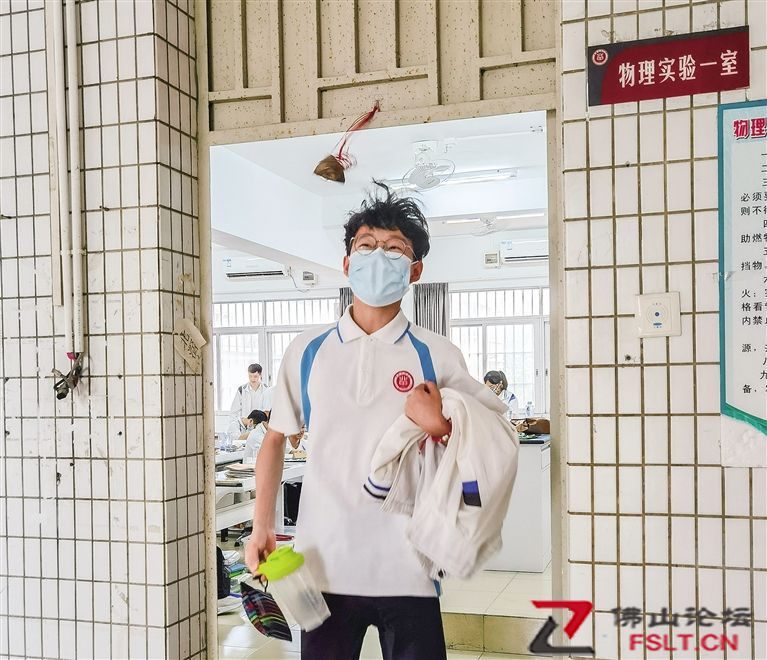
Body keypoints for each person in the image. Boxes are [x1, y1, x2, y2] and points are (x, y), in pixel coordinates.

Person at [245, 182, 502, 660]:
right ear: (347, 263)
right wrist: (262, 526)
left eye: (394, 249)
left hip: (410, 567)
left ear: (415, 270)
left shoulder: (437, 354)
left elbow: (484, 445)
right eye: (366, 245)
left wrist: (440, 426)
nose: (378, 256)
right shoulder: (307, 350)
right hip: (323, 565)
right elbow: (276, 438)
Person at [229, 363, 273, 429]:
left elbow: (268, 411)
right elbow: (233, 412)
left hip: (260, 427)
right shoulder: (241, 390)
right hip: (245, 427)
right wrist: (235, 426)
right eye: (250, 376)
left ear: (260, 375)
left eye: (255, 376)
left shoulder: (267, 390)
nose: (252, 379)